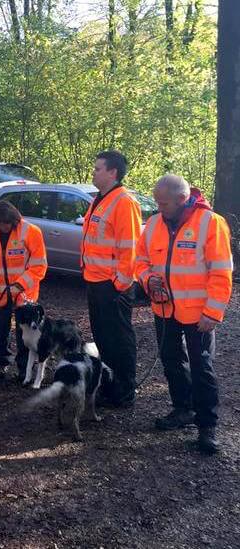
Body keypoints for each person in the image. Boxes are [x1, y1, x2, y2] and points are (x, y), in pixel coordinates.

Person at [136, 175, 233, 454]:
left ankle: (207, 427)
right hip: (164, 308)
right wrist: (147, 278)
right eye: (156, 201)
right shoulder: (154, 223)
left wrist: (213, 313)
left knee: (202, 368)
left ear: (182, 199)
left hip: (199, 313)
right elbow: (140, 260)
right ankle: (183, 409)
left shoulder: (210, 223)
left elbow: (221, 272)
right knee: (171, 360)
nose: (158, 207)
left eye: (162, 202)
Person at [81, 150, 142, 408]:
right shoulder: (100, 199)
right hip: (95, 281)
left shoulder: (124, 202)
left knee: (119, 339)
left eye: (97, 169)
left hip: (112, 286)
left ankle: (124, 391)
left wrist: (121, 283)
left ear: (112, 173)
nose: (93, 172)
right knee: (103, 338)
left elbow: (130, 247)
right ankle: (108, 385)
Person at [0, 200, 47, 379]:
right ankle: (2, 362)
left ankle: (24, 370)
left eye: (5, 223)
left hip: (25, 294)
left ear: (13, 219)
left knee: (25, 334)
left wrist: (18, 286)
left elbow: (39, 266)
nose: (2, 227)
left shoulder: (31, 232)